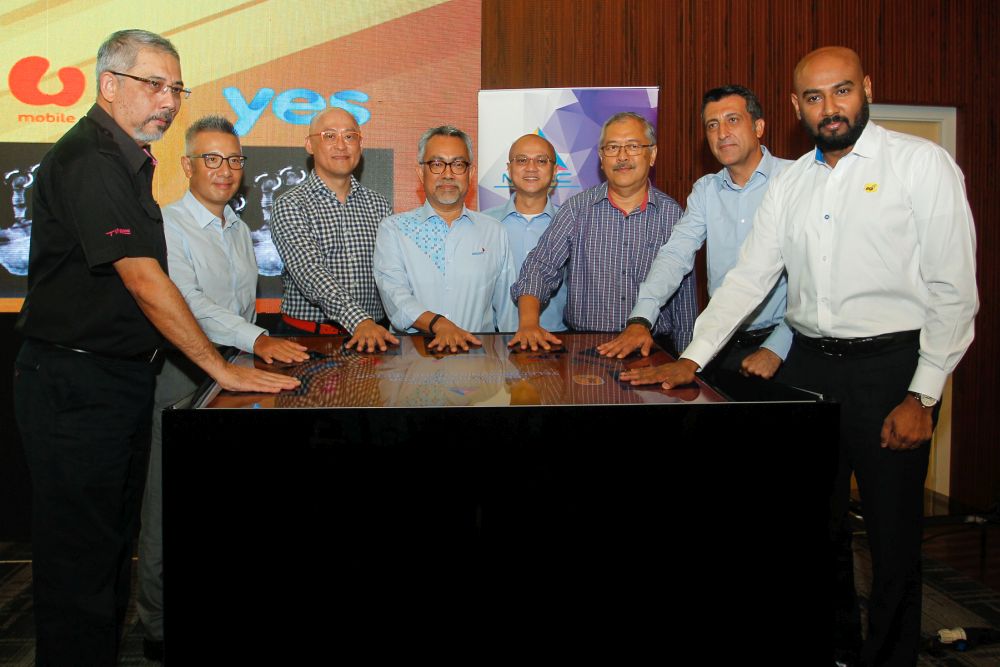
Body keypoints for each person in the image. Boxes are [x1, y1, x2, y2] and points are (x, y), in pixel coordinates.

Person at [621, 47, 978, 666]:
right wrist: (696, 357)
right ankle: (832, 648)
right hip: (810, 367)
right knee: (816, 528)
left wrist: (924, 392)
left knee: (893, 540)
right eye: (814, 98)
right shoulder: (792, 185)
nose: (829, 108)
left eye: (841, 92)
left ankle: (887, 659)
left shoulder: (921, 164)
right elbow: (748, 278)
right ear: (795, 108)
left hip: (891, 368)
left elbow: (954, 290)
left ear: (866, 87)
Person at [12, 30, 298, 666]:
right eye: (153, 84)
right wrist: (224, 369)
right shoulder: (89, 160)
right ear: (109, 85)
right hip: (74, 385)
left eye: (176, 87)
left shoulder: (127, 159)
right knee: (79, 567)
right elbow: (146, 280)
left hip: (111, 385)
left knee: (107, 556)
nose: (168, 100)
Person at [136, 115, 309, 661]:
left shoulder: (237, 227)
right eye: (212, 159)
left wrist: (249, 347)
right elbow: (187, 304)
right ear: (187, 165)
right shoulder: (165, 225)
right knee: (166, 506)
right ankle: (159, 627)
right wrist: (258, 339)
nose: (225, 170)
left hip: (233, 379)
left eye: (234, 160)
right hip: (180, 375)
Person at [598, 86, 792, 384]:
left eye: (732, 120)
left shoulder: (794, 181)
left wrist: (777, 347)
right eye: (712, 125)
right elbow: (675, 256)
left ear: (758, 126)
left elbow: (816, 279)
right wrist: (641, 319)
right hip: (718, 345)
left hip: (784, 349)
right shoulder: (705, 190)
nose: (722, 133)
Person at [508, 112, 697, 355]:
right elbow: (540, 267)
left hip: (652, 348)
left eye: (633, 146)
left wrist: (687, 362)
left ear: (652, 155)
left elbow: (685, 302)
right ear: (600, 157)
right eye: (612, 147)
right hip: (586, 350)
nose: (622, 156)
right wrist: (529, 323)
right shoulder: (577, 209)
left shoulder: (673, 215)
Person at [373, 125, 517, 352]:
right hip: (414, 367)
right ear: (421, 172)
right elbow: (395, 298)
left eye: (458, 164)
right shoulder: (394, 230)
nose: (448, 174)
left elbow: (508, 310)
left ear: (470, 173)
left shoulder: (494, 231)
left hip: (478, 369)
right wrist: (438, 324)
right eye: (437, 164)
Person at [270, 107, 398, 352]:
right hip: (307, 340)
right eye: (329, 136)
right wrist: (359, 319)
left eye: (349, 136)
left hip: (374, 336)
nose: (341, 145)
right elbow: (310, 271)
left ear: (360, 144)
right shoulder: (290, 205)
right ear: (309, 144)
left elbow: (392, 273)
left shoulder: (379, 205)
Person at [482, 133, 567, 332]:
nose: (531, 167)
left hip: (557, 341)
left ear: (554, 170)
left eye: (541, 160)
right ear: (509, 169)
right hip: (496, 342)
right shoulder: (484, 223)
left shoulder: (570, 223)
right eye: (521, 160)